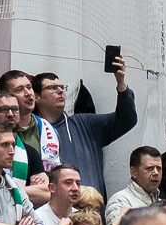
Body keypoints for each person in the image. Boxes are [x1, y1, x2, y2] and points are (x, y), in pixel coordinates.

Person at [32, 65, 138, 197]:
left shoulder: (85, 124)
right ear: (36, 97)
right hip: (51, 208)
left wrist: (121, 84)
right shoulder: (30, 132)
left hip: (92, 207)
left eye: (62, 87)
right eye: (52, 88)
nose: (60, 91)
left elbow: (127, 119)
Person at [106, 147, 163, 225]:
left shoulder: (163, 205)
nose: (156, 173)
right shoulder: (120, 201)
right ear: (134, 172)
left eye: (159, 168)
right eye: (150, 168)